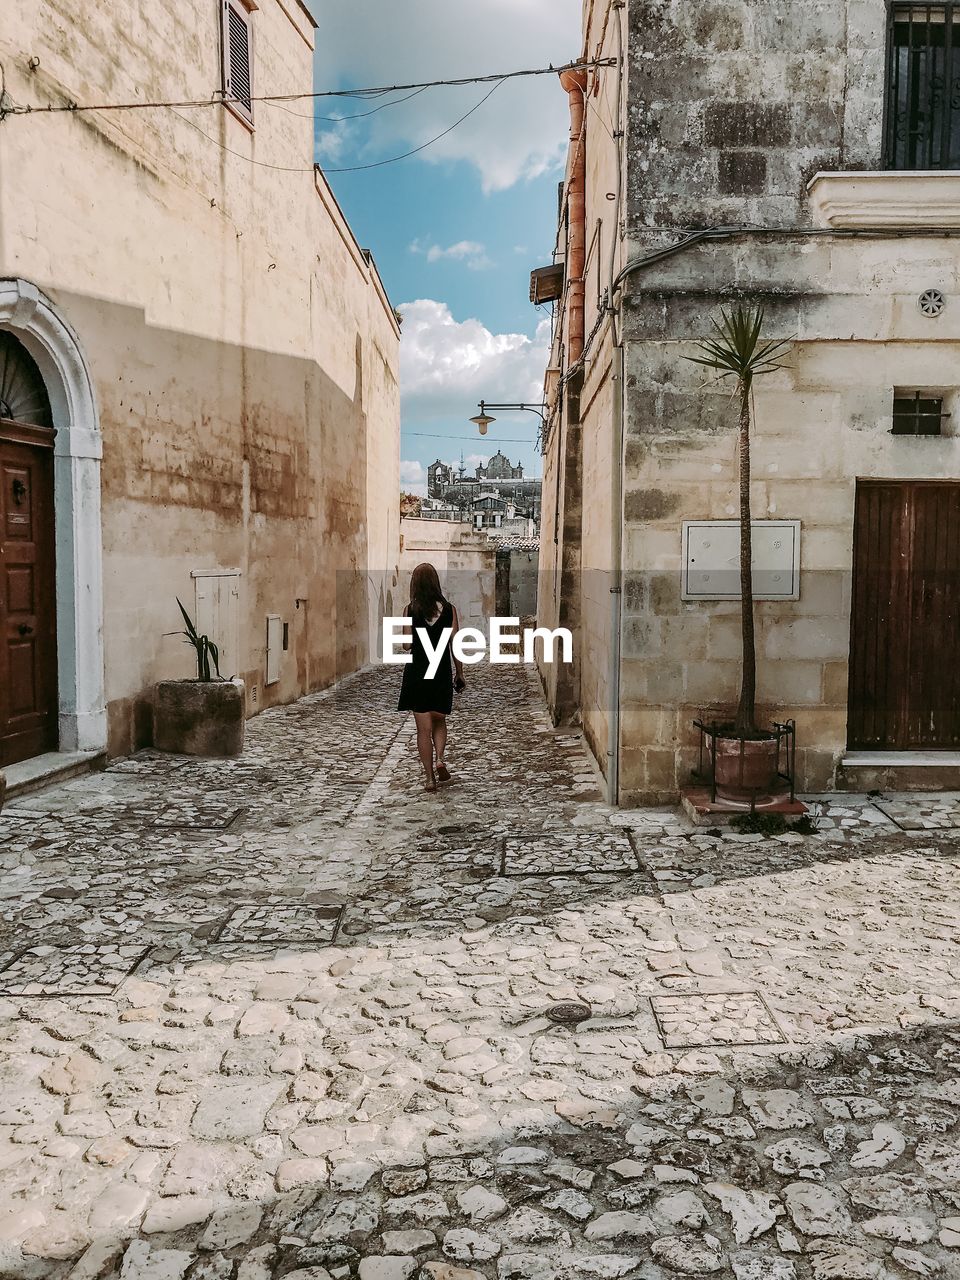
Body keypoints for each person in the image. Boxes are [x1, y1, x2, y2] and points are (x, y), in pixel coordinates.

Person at [397, 562, 466, 791]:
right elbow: (454, 642)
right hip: (440, 671)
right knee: (439, 720)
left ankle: (428, 778)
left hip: (418, 671)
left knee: (422, 730)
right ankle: (440, 759)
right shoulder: (449, 610)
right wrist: (460, 672)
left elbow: (407, 644)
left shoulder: (409, 610)